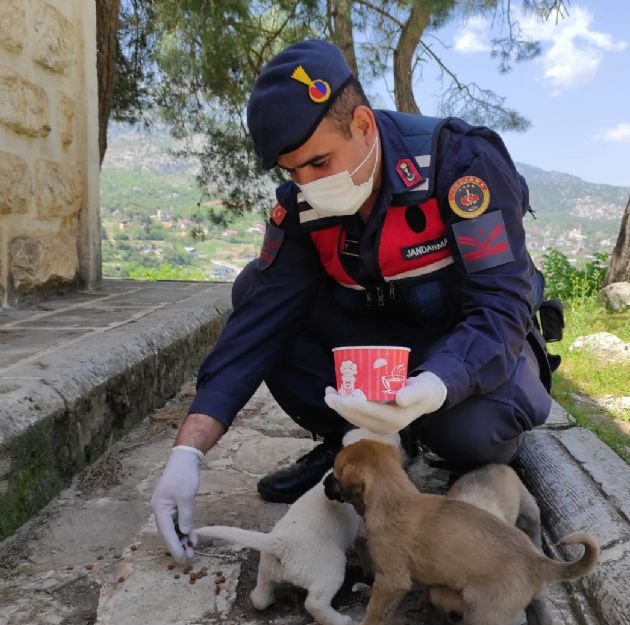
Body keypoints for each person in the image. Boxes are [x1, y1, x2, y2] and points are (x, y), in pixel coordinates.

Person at [150, 39, 556, 563]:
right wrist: (188, 451)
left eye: (319, 162)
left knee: (477, 434)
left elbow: (502, 307)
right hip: (377, 345)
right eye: (291, 171)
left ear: (363, 125)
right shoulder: (303, 203)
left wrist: (436, 385)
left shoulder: (460, 165)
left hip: (465, 347)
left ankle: (418, 437)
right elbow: (259, 322)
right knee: (254, 288)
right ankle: (352, 445)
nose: (307, 185)